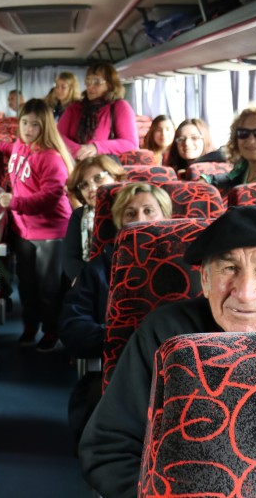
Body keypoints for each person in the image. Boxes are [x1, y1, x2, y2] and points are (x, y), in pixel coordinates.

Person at [78, 205, 256, 498]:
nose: (243, 292)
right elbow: (108, 448)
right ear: (204, 279)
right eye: (229, 269)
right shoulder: (166, 335)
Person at [60, 183, 172, 448]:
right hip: (119, 369)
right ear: (118, 221)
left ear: (166, 217)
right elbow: (72, 326)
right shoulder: (100, 268)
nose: (140, 220)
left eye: (148, 211)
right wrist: (121, 337)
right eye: (130, 213)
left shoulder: (192, 267)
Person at [0, 98, 75, 352]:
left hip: (51, 231)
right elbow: (11, 148)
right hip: (23, 228)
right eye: (24, 123)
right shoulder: (20, 146)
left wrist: (15, 202)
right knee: (27, 283)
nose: (28, 130)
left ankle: (51, 330)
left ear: (46, 128)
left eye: (35, 126)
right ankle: (30, 326)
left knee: (49, 288)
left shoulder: (50, 158)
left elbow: (51, 196)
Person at [62, 155, 126, 283]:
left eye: (98, 179)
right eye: (84, 185)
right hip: (90, 282)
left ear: (115, 177)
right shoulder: (79, 216)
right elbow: (70, 259)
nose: (92, 189)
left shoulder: (133, 210)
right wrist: (92, 282)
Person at [57, 62, 139, 160]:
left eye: (97, 81)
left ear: (110, 84)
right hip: (72, 164)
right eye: (88, 81)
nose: (90, 86)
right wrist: (77, 150)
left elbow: (130, 143)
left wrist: (96, 147)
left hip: (104, 167)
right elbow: (56, 136)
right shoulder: (74, 108)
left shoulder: (119, 107)